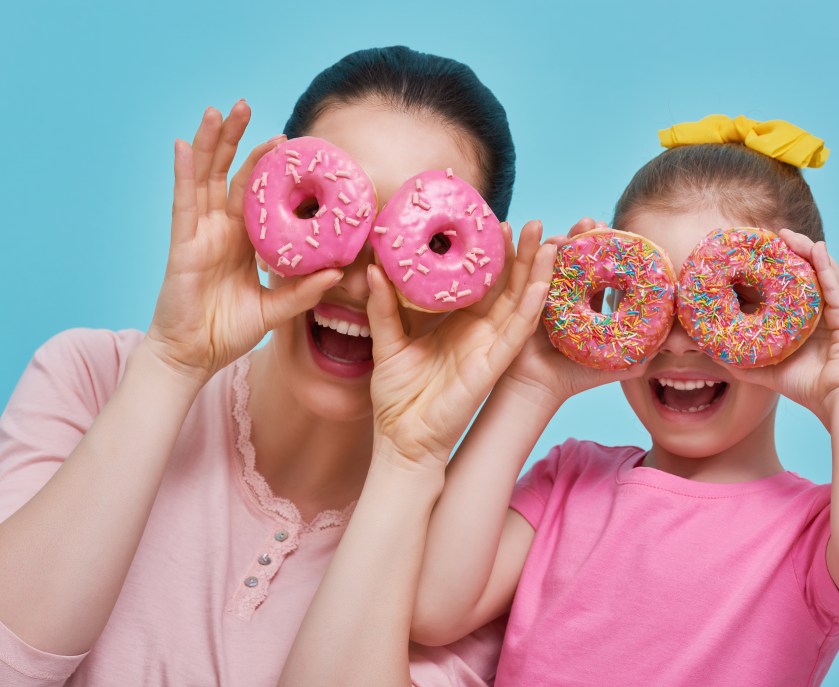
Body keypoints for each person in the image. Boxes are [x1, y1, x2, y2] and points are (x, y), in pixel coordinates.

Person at [0, 45, 556, 686]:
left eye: (425, 241)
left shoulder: (460, 569)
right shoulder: (93, 380)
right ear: (267, 206)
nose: (357, 278)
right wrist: (173, 364)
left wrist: (409, 464)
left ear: (480, 283)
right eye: (323, 212)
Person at [408, 115, 839, 685]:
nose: (682, 339)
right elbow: (430, 608)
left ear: (799, 314)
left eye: (731, 298)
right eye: (653, 300)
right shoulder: (570, 480)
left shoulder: (814, 532)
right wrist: (528, 386)